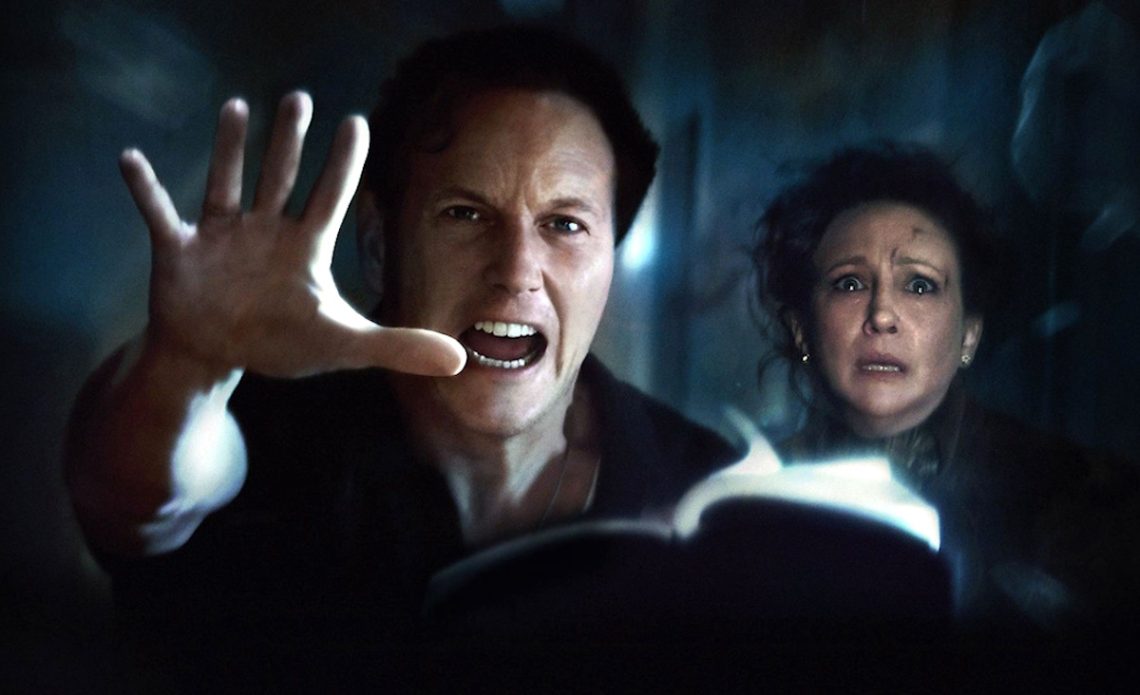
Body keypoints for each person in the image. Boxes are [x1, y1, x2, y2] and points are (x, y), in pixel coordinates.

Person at [64, 25, 738, 683]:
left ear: (611, 261)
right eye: (465, 214)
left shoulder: (714, 500)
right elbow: (142, 499)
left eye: (564, 224)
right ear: (380, 244)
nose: (516, 270)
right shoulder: (276, 436)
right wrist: (186, 364)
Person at [751, 142, 1139, 637]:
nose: (881, 316)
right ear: (802, 331)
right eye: (850, 284)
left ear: (968, 336)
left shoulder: (1073, 499)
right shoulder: (747, 498)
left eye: (919, 285)